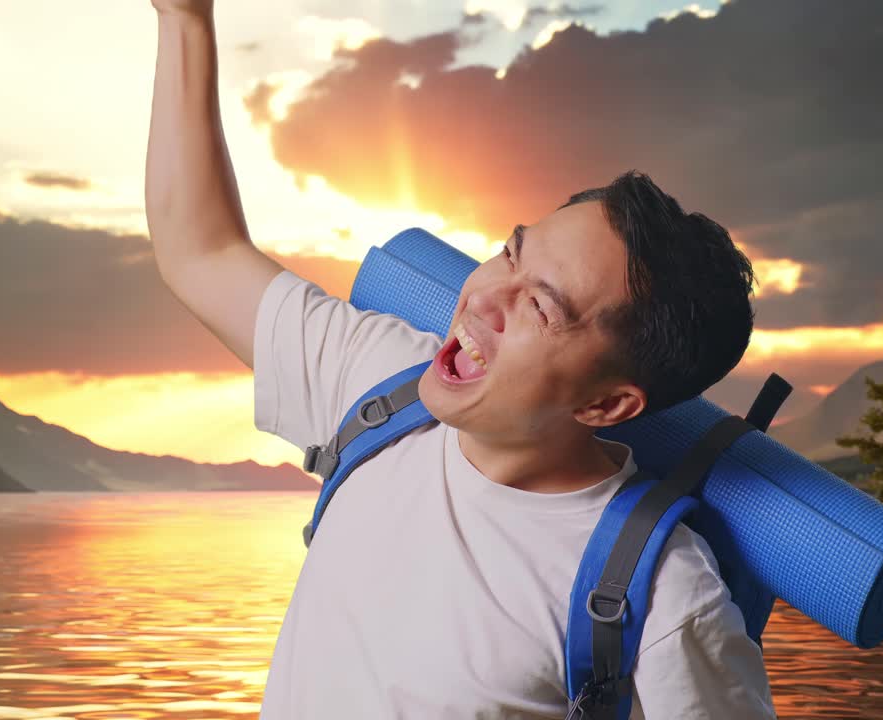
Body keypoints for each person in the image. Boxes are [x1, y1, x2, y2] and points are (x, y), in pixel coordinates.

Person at [144, 1, 777, 717]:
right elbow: (198, 250)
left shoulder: (663, 599)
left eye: (539, 306)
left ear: (606, 405)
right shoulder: (381, 384)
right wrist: (185, 19)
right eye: (510, 251)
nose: (484, 298)